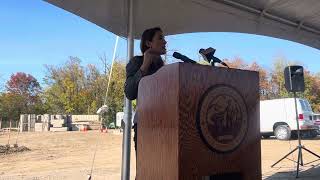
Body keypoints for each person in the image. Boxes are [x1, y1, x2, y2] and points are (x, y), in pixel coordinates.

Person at [124, 26, 167, 161]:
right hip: (144, 125)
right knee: (146, 169)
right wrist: (144, 66)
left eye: (164, 38)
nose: (165, 42)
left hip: (165, 125)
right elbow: (130, 93)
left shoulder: (164, 69)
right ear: (148, 43)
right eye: (160, 38)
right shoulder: (136, 62)